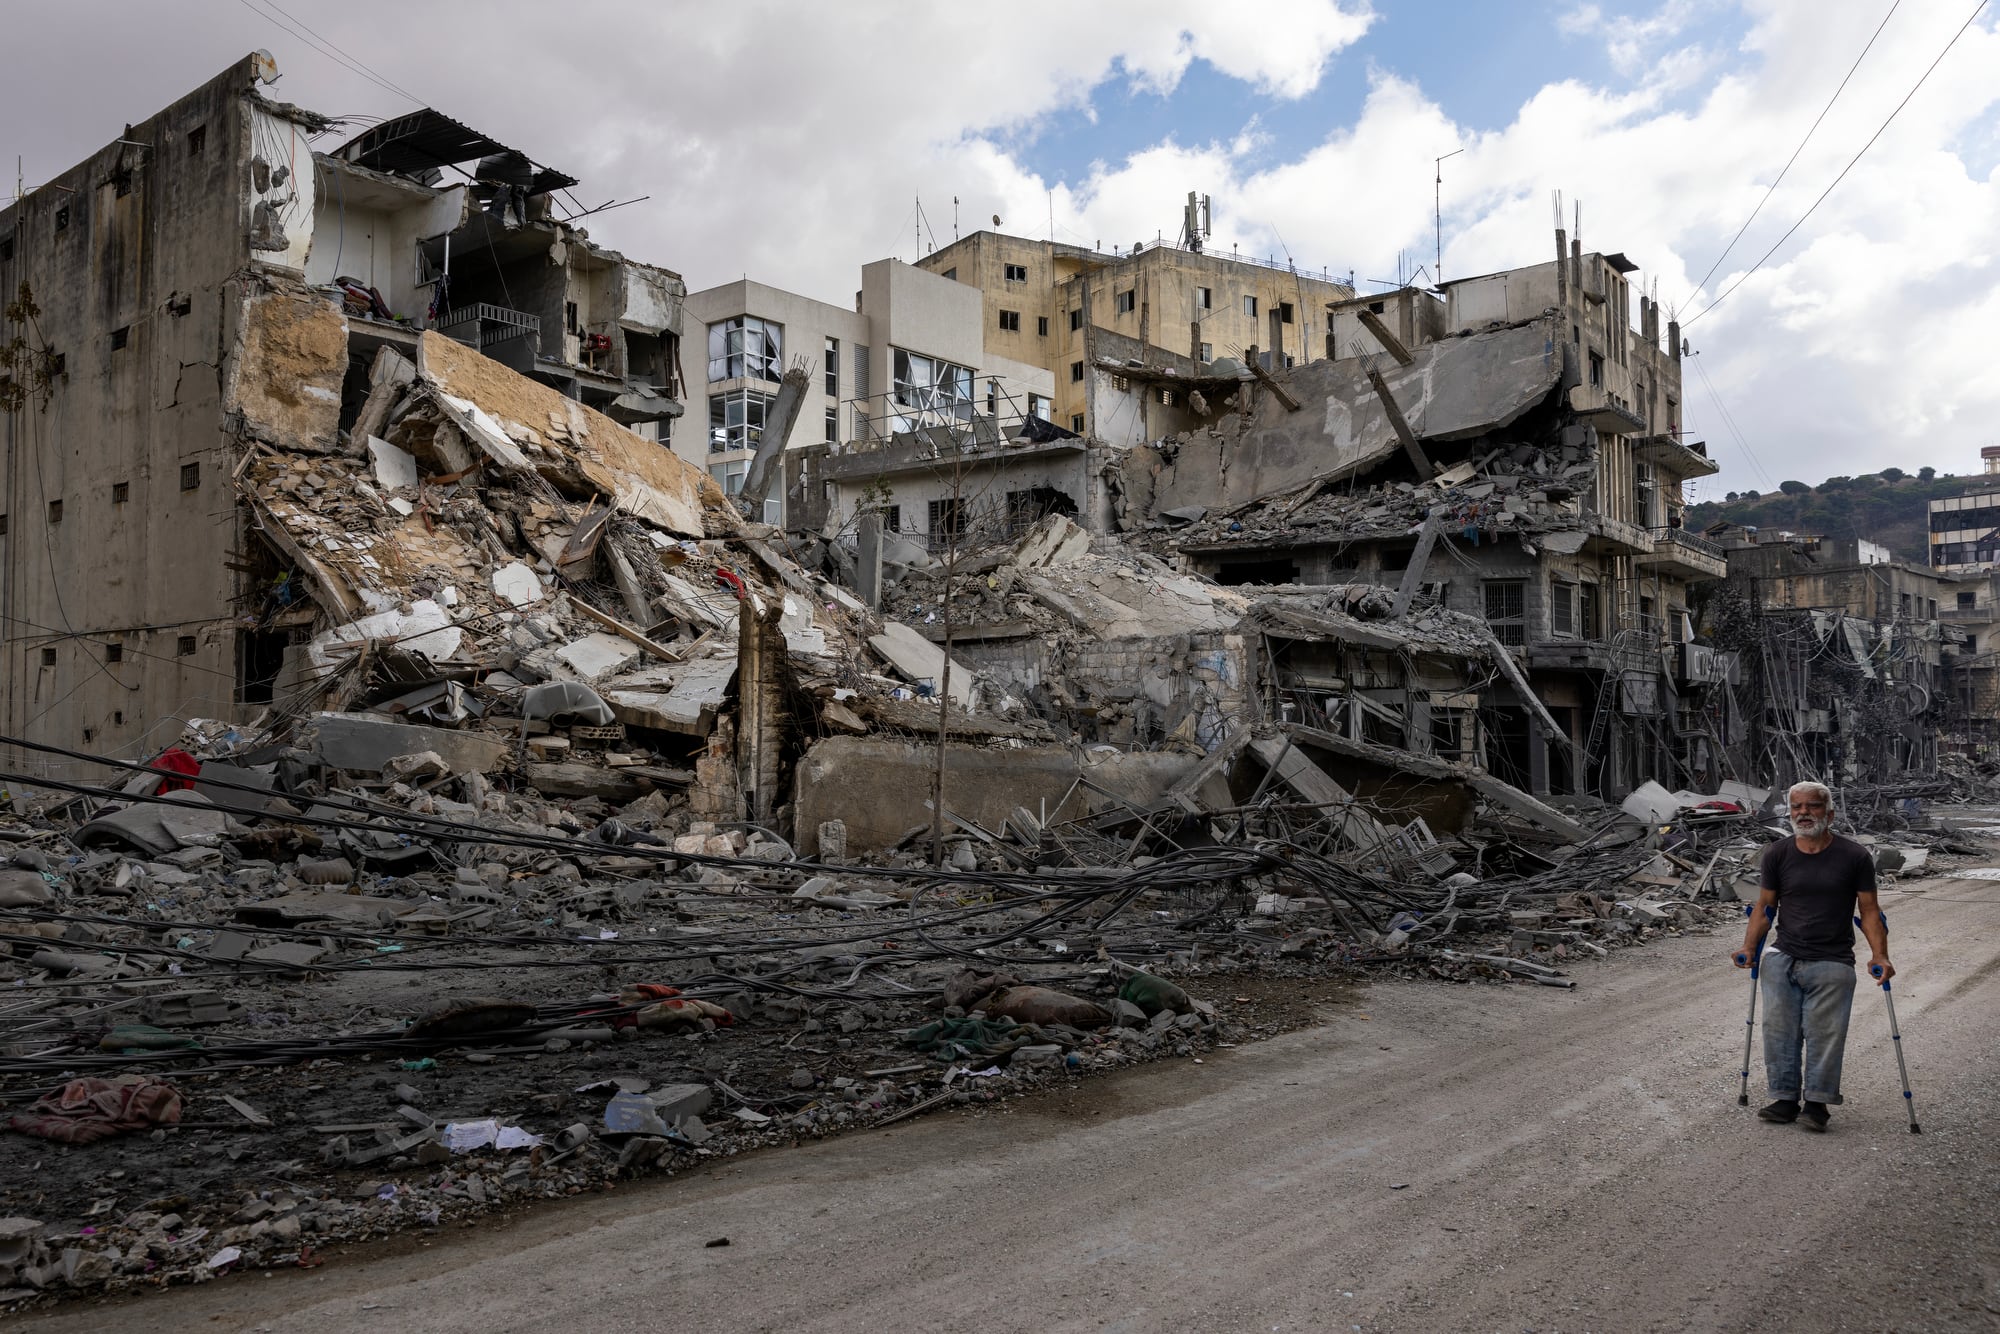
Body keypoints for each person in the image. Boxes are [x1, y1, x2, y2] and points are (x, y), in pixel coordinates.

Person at [1733, 780, 1893, 1132]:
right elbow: (1765, 906)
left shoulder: (1854, 857)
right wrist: (1749, 947)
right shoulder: (1777, 853)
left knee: (1824, 1033)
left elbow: (1869, 911)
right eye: (1797, 807)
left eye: (1813, 806)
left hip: (1833, 960)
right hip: (1783, 955)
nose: (1803, 813)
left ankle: (1817, 1102)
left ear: (1830, 813)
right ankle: (1785, 1098)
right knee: (1778, 1030)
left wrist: (1879, 954)